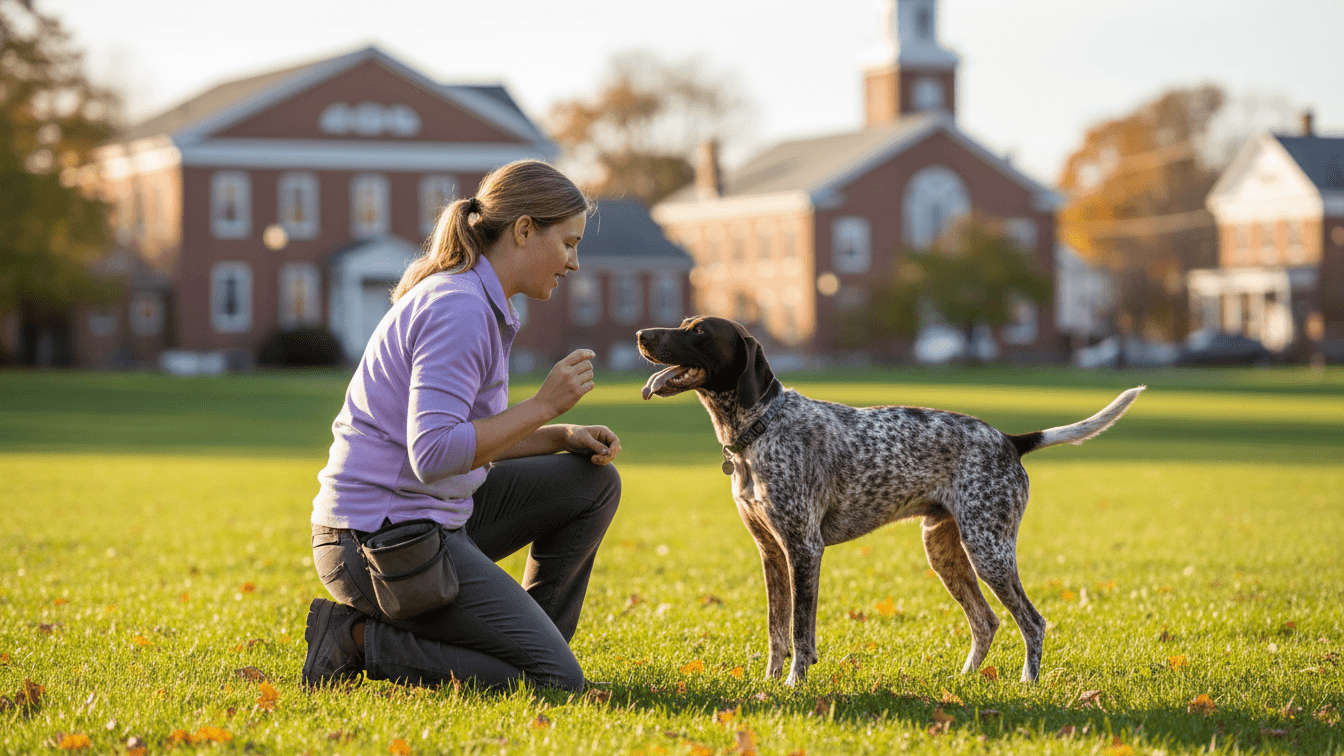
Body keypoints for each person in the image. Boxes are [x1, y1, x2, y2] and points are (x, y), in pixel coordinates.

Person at [302, 160, 622, 692]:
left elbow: (463, 438)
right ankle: (357, 638)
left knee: (589, 482)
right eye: (567, 244)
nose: (574, 263)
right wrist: (544, 406)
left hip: (431, 515)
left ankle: (538, 649)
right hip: (377, 541)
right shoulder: (459, 308)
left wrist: (560, 437)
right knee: (554, 682)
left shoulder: (477, 300)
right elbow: (435, 454)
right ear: (523, 230)